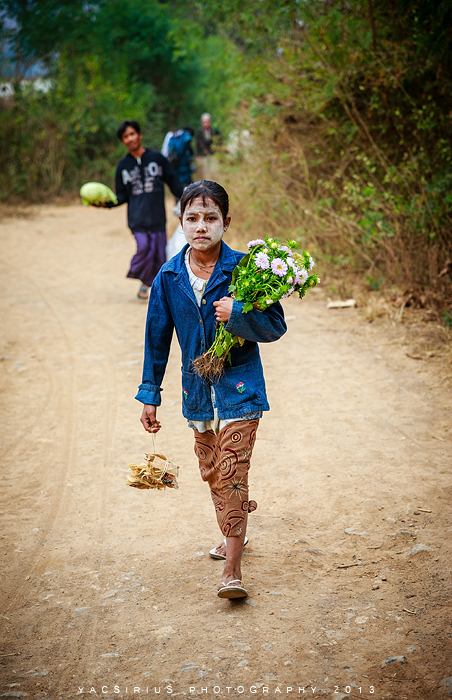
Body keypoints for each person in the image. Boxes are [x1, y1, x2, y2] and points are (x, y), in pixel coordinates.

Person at [136, 180, 287, 599]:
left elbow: (275, 326)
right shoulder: (167, 276)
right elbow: (156, 339)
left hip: (240, 388)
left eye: (210, 218)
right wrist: (150, 392)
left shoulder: (246, 271)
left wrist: (237, 312)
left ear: (226, 222)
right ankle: (235, 526)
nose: (201, 226)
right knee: (212, 472)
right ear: (181, 223)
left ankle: (233, 571)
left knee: (231, 473)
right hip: (197, 392)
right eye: (192, 219)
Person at [100, 120, 184, 300]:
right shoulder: (123, 167)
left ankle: (152, 288)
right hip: (137, 219)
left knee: (159, 255)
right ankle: (145, 278)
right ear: (122, 141)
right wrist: (105, 203)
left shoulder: (157, 159)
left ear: (139, 135)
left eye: (132, 134)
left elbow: (173, 182)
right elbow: (121, 196)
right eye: (125, 136)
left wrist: (188, 198)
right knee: (144, 248)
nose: (130, 138)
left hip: (157, 218)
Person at [196, 114, 221, 180]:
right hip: (204, 155)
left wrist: (219, 151)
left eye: (206, 122)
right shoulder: (200, 132)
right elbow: (197, 144)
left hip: (214, 154)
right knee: (206, 172)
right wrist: (198, 155)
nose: (205, 123)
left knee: (215, 170)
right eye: (204, 122)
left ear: (210, 122)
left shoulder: (215, 130)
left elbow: (220, 141)